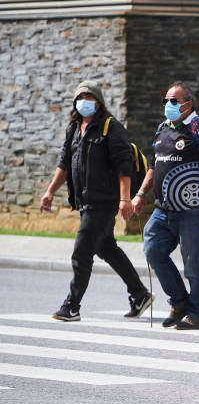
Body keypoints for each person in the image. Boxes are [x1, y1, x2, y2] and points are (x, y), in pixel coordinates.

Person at [40, 80, 153, 322]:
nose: (84, 102)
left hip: (105, 202)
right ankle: (140, 294)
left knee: (82, 252)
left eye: (89, 97)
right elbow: (64, 163)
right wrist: (50, 191)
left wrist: (125, 199)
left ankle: (71, 306)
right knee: (106, 248)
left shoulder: (110, 128)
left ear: (99, 102)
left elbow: (125, 166)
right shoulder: (74, 128)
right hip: (85, 201)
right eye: (80, 97)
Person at [132, 81, 199, 330]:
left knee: (193, 260)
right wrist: (141, 193)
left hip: (193, 210)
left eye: (174, 101)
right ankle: (179, 302)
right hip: (163, 210)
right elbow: (155, 165)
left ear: (188, 104)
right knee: (153, 250)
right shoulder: (162, 128)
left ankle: (198, 314)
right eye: (166, 101)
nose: (169, 105)